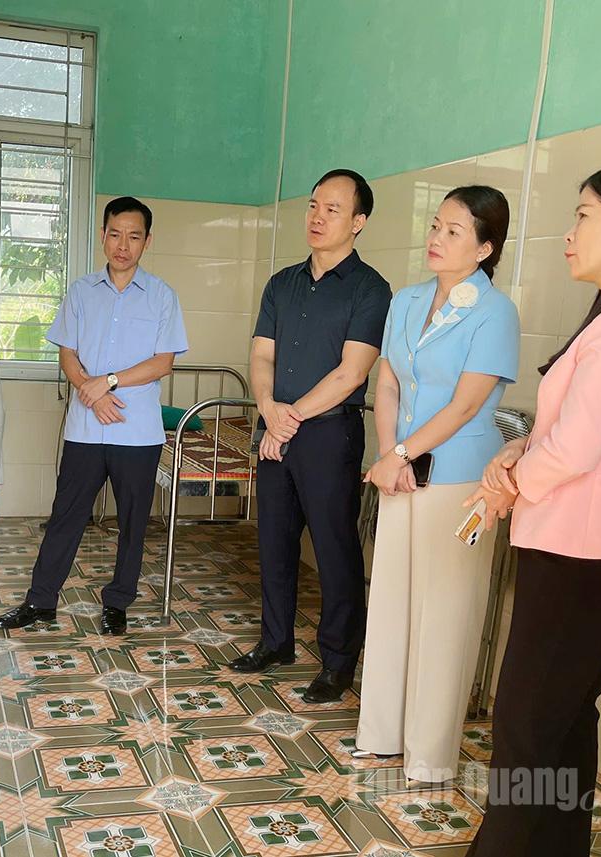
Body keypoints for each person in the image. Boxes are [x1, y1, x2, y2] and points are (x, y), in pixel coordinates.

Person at [464, 163, 601, 856]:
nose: (569, 233)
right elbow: (574, 429)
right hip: (584, 548)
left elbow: (578, 451)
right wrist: (521, 450)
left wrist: (510, 482)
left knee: (526, 730)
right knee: (562, 722)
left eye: (583, 215)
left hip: (585, 554)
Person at [355, 186, 519, 782]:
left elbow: (466, 404)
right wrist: (388, 456)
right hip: (401, 475)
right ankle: (382, 734)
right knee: (392, 598)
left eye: (454, 230)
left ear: (485, 246)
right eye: (436, 225)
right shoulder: (406, 300)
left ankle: (429, 754)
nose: (437, 238)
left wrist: (400, 451)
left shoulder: (496, 312)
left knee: (446, 611)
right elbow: (388, 383)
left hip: (459, 479)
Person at [229, 169, 391, 703]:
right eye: (314, 206)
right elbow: (261, 355)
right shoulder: (282, 282)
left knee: (333, 548)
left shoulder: (371, 289)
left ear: (358, 222)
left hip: (327, 436)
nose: (318, 217)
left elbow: (352, 372)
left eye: (334, 209)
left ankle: (339, 661)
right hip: (276, 427)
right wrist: (268, 409)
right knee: (273, 542)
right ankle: (275, 642)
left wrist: (287, 418)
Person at [0, 197, 188, 634]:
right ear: (103, 236)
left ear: (147, 241)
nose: (124, 245)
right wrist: (91, 390)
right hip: (85, 428)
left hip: (137, 433)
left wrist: (109, 381)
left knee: (132, 524)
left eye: (134, 236)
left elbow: (163, 363)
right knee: (67, 515)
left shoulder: (162, 297)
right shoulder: (81, 292)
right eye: (115, 234)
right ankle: (40, 601)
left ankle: (118, 602)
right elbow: (68, 355)